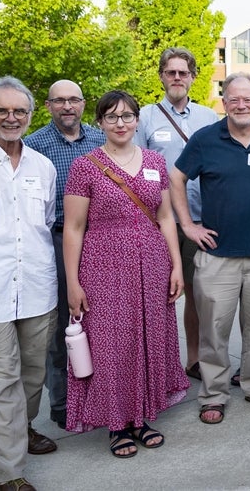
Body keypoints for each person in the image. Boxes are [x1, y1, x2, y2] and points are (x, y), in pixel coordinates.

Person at [63, 90, 189, 458]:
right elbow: (74, 227)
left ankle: (143, 416)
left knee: (148, 337)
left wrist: (176, 265)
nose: (121, 123)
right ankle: (117, 424)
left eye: (128, 116)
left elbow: (165, 217)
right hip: (103, 265)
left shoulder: (154, 160)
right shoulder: (86, 166)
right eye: (112, 117)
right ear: (100, 122)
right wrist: (73, 282)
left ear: (138, 120)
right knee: (111, 343)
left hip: (152, 263)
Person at [170, 73, 250, 425]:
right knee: (214, 329)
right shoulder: (205, 139)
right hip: (217, 257)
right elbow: (177, 177)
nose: (241, 105)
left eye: (248, 99)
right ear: (224, 102)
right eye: (233, 99)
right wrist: (187, 225)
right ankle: (214, 394)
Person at [135, 47, 219, 382]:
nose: (177, 78)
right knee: (161, 296)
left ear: (193, 76)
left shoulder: (209, 118)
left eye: (183, 72)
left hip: (201, 221)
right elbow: (135, 166)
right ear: (161, 76)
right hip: (159, 222)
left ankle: (194, 359)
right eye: (171, 72)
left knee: (199, 296)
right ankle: (158, 363)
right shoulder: (145, 117)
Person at [0, 76, 58, 491]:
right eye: (2, 110)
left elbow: (45, 222)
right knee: (3, 380)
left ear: (31, 115)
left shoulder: (42, 166)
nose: (11, 117)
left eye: (19, 111)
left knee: (34, 376)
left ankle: (23, 427)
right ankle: (9, 473)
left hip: (36, 287)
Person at [24, 80, 105, 430]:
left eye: (74, 100)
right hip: (57, 241)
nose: (67, 106)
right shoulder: (33, 146)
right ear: (48, 105)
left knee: (102, 323)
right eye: (60, 101)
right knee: (63, 328)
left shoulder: (102, 140)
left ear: (84, 104)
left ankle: (103, 394)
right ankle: (63, 404)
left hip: (102, 241)